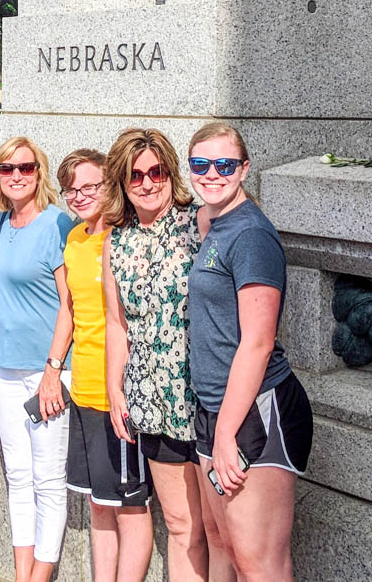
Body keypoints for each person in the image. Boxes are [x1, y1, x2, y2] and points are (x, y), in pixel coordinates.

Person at [186, 122, 315, 581]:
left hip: (255, 409)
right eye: (201, 164)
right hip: (213, 406)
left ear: (243, 168)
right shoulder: (213, 223)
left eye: (224, 164)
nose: (212, 174)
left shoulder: (252, 235)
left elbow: (258, 343)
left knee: (258, 562)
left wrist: (225, 434)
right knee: (221, 542)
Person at [101, 129, 211, 582]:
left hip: (203, 397)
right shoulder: (117, 241)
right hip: (151, 401)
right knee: (181, 524)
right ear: (122, 183)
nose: (147, 183)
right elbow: (116, 322)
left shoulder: (199, 223)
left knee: (218, 530)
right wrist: (115, 390)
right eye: (135, 176)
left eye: (156, 171)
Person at [57, 148, 155, 582]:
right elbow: (71, 310)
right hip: (84, 389)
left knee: (131, 507)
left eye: (90, 186)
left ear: (109, 185)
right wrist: (52, 368)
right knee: (100, 503)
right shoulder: (76, 239)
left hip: (122, 394)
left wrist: (123, 390)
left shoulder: (127, 236)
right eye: (71, 189)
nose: (80, 196)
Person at [0, 137, 78, 582]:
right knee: (17, 476)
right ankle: (23, 575)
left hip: (47, 374)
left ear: (39, 173)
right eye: (7, 168)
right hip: (4, 369)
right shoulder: (1, 222)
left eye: (25, 167)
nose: (17, 175)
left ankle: (40, 577)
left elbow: (70, 304)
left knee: (47, 480)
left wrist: (52, 372)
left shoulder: (58, 224)